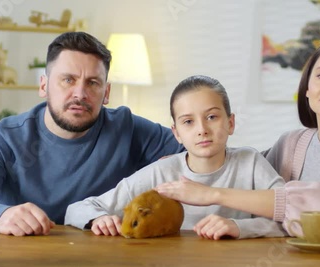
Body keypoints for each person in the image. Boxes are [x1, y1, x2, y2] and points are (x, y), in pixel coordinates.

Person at [156, 37, 320, 239]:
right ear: (308, 89)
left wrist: (212, 194)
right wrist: (183, 164)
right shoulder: (290, 144)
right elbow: (240, 170)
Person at [0, 32, 184, 236]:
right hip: (21, 256)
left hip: (108, 260)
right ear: (44, 86)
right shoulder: (2, 138)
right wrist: (1, 215)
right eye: (68, 80)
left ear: (106, 92)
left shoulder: (128, 128)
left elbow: (204, 154)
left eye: (93, 83)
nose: (80, 93)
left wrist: (210, 197)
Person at [65, 75, 287, 240]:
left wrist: (238, 227)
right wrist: (98, 219)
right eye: (188, 121)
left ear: (230, 123)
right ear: (176, 133)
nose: (202, 129)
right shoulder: (163, 172)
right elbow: (77, 209)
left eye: (211, 117)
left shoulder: (251, 162)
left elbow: (292, 217)